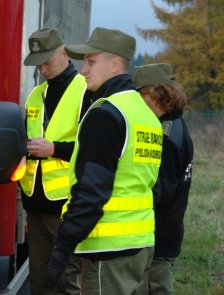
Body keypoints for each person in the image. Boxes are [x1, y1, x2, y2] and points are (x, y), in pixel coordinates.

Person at [48, 27, 163, 294]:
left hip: (108, 251)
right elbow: (150, 187)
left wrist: (63, 246)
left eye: (91, 62)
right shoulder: (145, 115)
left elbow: (91, 191)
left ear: (114, 65)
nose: (83, 70)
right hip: (141, 245)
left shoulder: (105, 114)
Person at [20, 27, 93, 295]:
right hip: (34, 204)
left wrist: (54, 149)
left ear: (63, 52)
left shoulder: (85, 91)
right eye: (38, 64)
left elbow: (94, 149)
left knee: (66, 281)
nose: (43, 69)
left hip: (65, 205)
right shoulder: (36, 95)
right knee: (39, 281)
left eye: (47, 62)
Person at [133, 63, 194, 294]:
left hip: (160, 233)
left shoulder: (166, 135)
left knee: (156, 288)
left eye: (138, 94)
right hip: (167, 229)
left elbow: (161, 190)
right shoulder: (174, 125)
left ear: (151, 93)